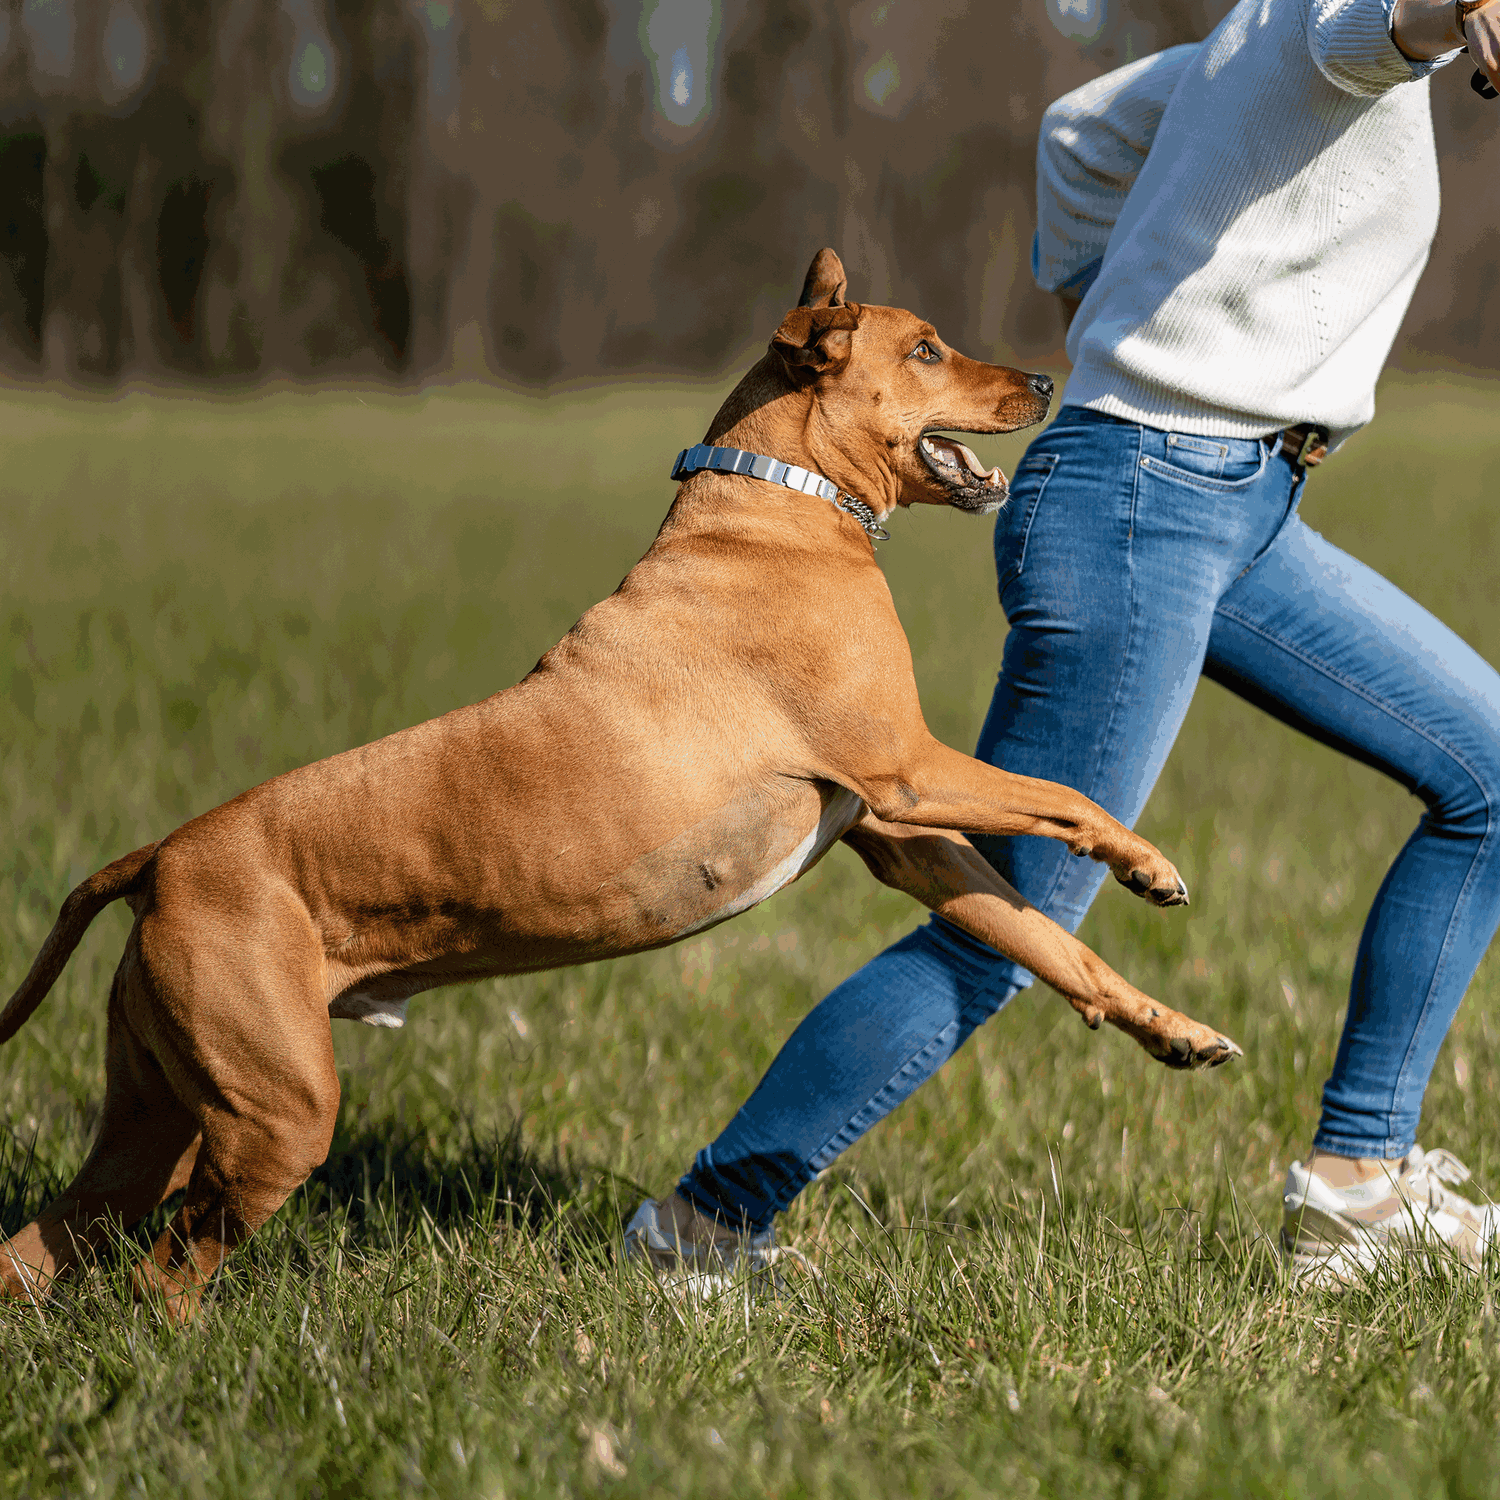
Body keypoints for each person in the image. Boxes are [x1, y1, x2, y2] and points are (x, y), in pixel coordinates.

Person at [625, 0, 1500, 1289]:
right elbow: (1380, 23)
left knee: (1487, 768)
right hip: (1147, 500)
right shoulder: (1333, 23)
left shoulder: (1248, 40)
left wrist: (1114, 314)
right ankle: (704, 1226)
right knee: (1006, 921)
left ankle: (1358, 1186)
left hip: (1235, 506)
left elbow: (1080, 133)